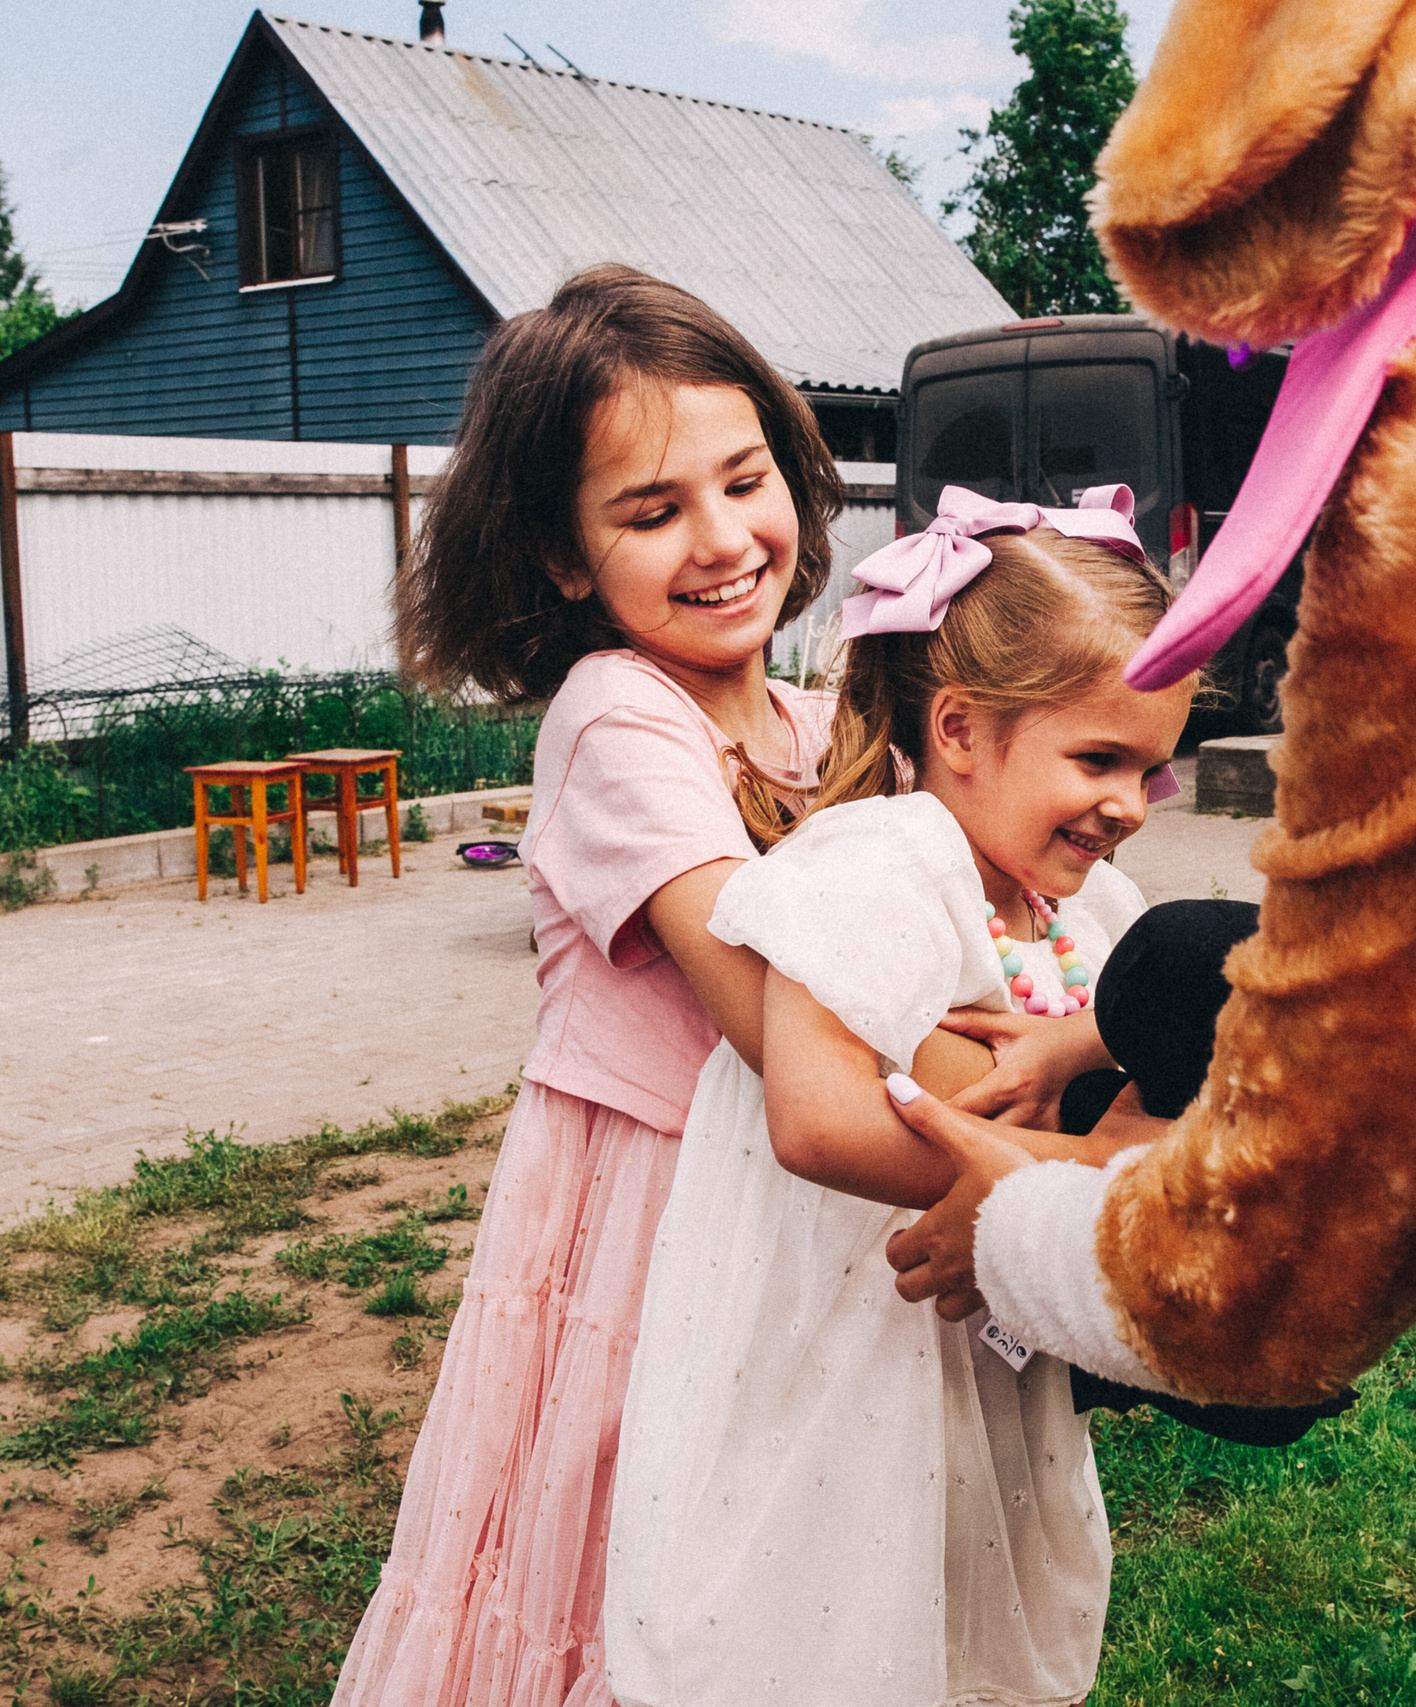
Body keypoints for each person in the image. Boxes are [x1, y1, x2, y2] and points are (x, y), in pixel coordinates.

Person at [333, 263, 847, 1707]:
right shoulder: (620, 717)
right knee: (632, 1579)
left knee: (777, 1564)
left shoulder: (824, 719)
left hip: (800, 1201)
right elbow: (778, 1018)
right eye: (651, 510)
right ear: (564, 558)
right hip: (659, 1224)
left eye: (743, 479)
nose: (722, 538)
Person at [600, 485, 1197, 1707]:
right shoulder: (880, 862)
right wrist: (1055, 1183)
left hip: (979, 1327)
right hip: (848, 1325)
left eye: (1151, 767)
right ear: (962, 729)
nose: (1131, 804)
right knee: (839, 1585)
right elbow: (814, 1119)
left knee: (966, 1573)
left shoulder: (1087, 907)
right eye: (1098, 759)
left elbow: (1145, 1097)